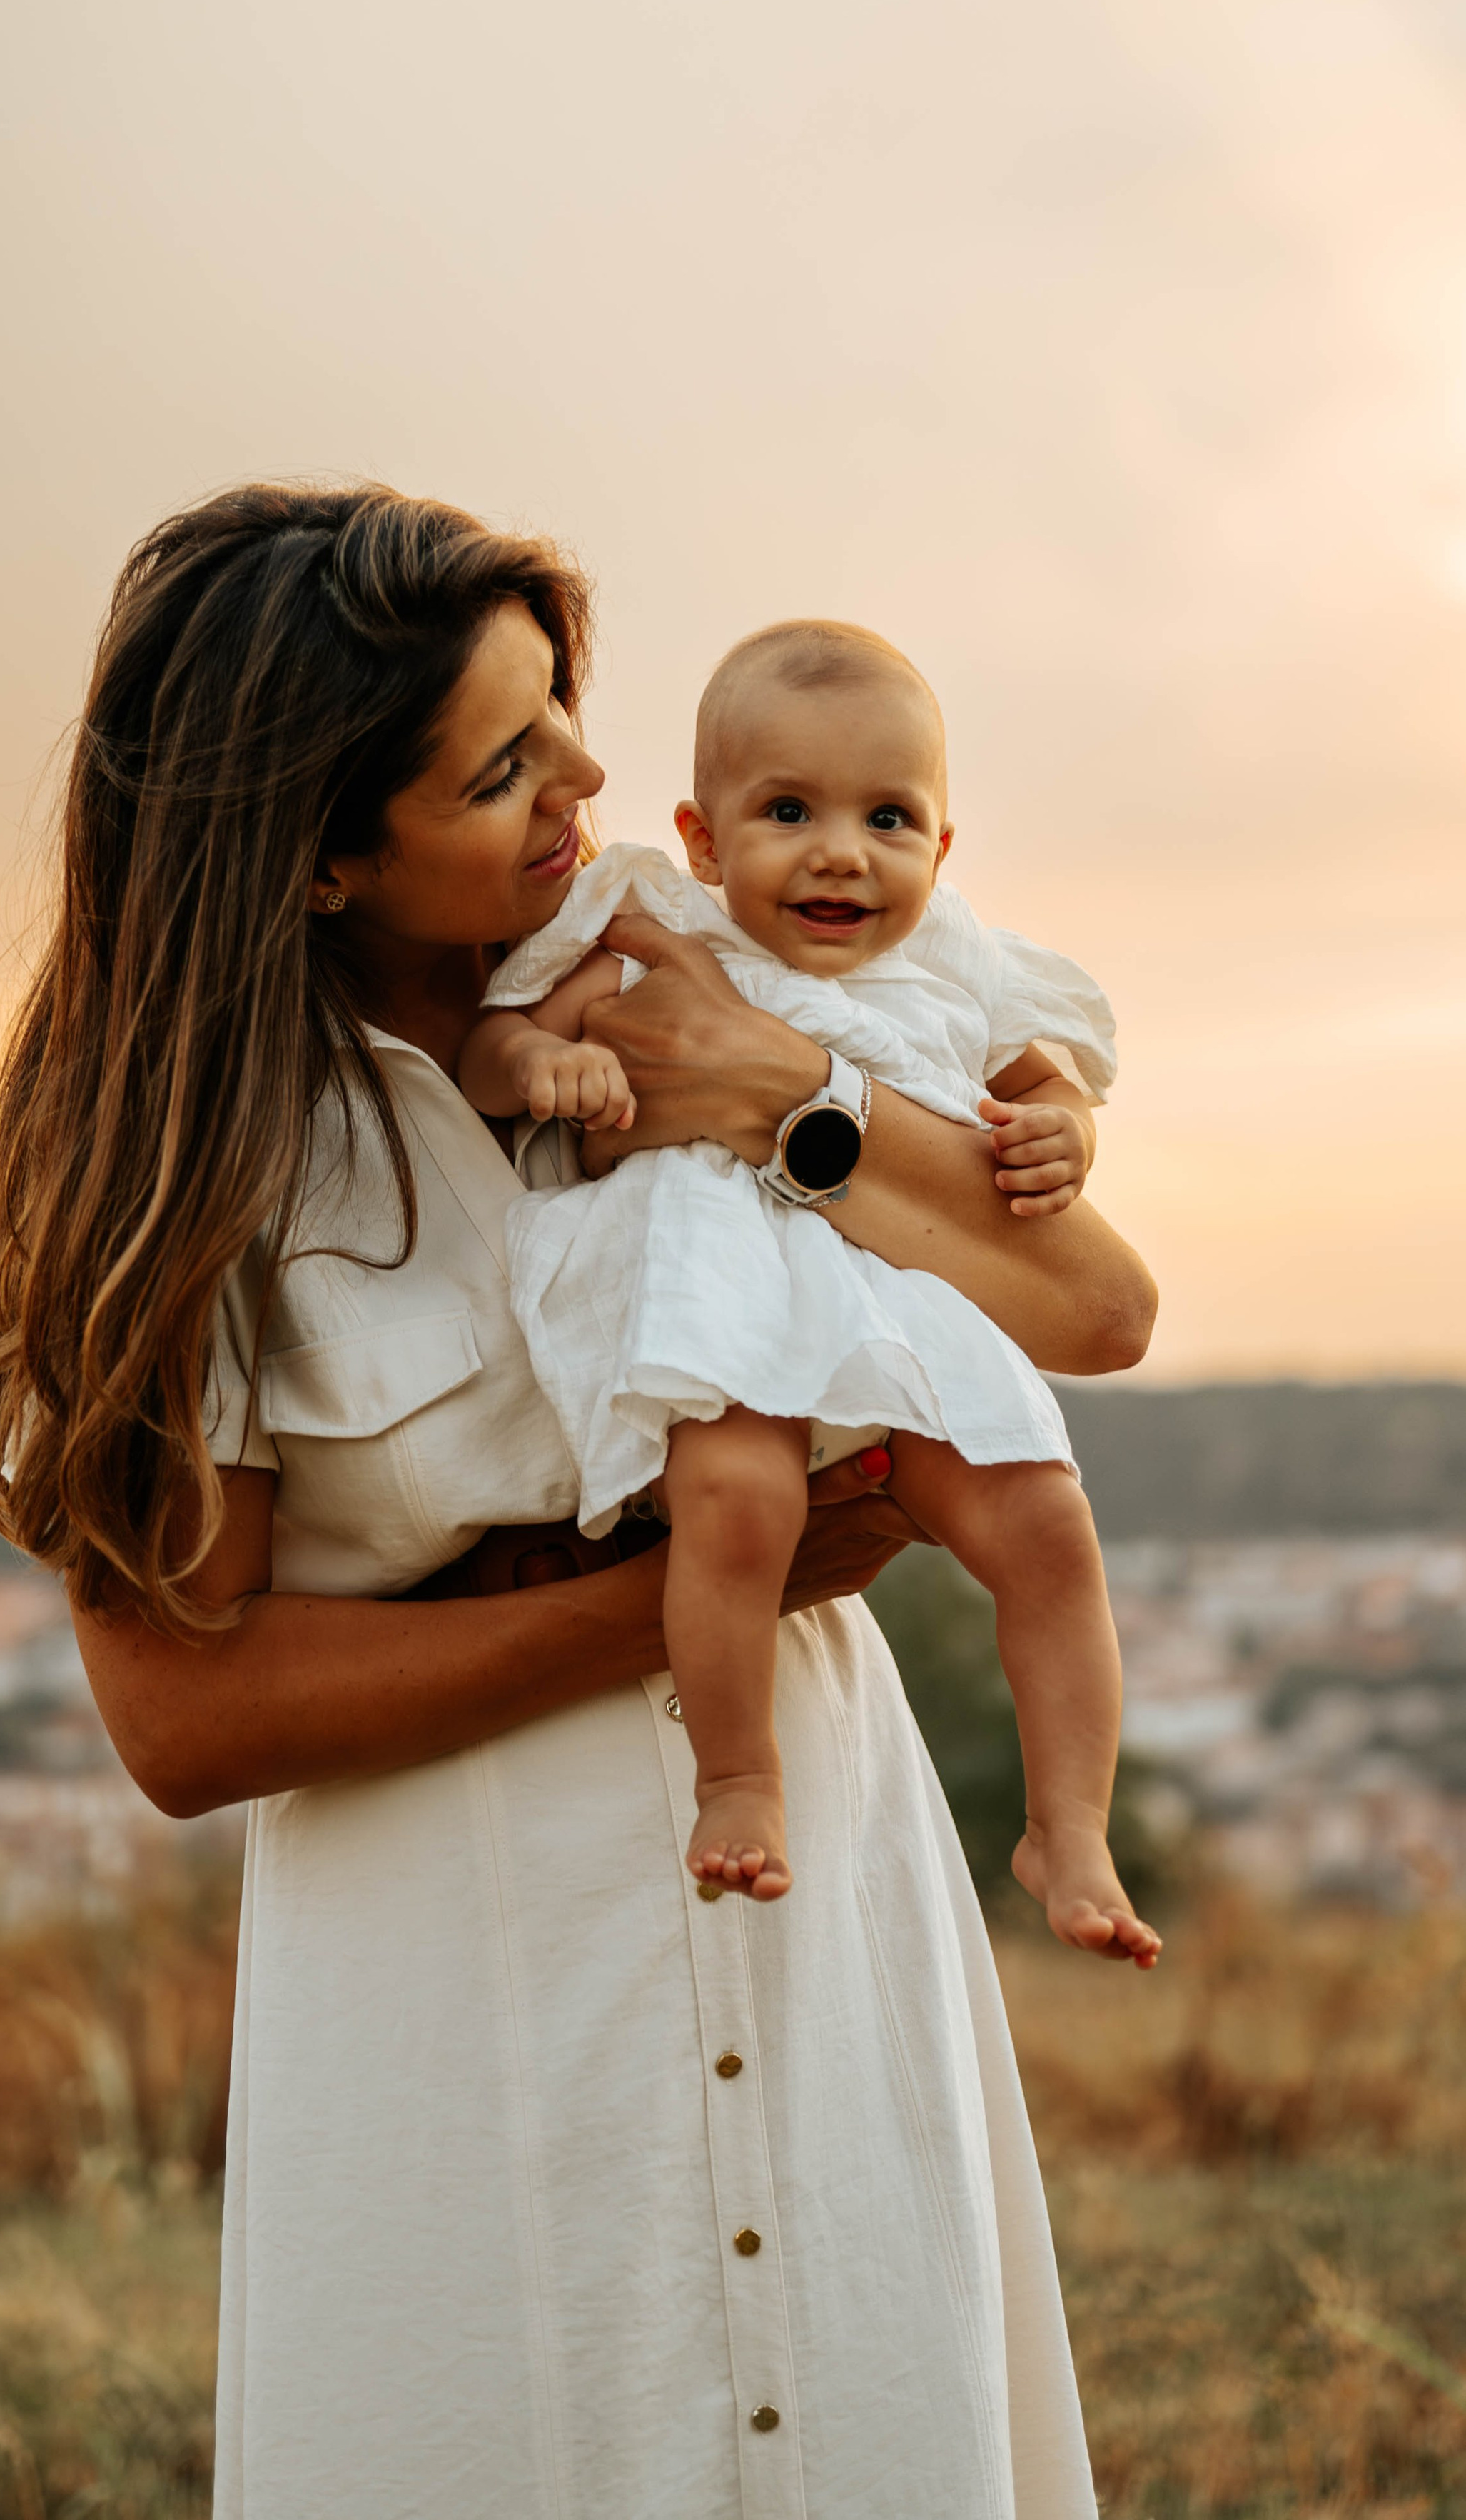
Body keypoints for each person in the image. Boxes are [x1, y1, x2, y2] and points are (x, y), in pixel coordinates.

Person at [0, 481, 1158, 2520]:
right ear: (320, 853)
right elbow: (183, 1714)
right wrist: (688, 1593)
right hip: (464, 1998)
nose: (586, 785)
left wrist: (782, 1095)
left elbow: (1096, 1311)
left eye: (564, 718)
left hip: (829, 1923)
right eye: (502, 767)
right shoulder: (196, 1166)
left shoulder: (702, 964)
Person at [459, 619, 1162, 1960]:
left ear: (941, 848)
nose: (843, 851)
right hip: (730, 1292)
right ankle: (739, 1776)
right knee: (740, 1503)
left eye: (888, 818)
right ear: (703, 839)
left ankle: (1068, 1825)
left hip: (898, 1299)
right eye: (789, 811)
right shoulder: (652, 930)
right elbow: (498, 1042)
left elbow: (1051, 1078)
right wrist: (540, 1068)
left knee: (1045, 1524)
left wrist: (1063, 1131)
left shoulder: (957, 960)